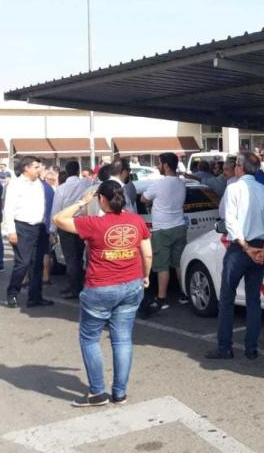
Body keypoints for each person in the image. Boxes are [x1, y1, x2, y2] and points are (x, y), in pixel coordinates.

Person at [53, 181, 152, 407]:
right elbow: (146, 254)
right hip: (132, 284)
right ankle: (120, 393)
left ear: (101, 200)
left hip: (100, 287)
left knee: (90, 339)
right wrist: (145, 276)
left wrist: (81, 202)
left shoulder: (93, 223)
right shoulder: (136, 221)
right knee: (123, 339)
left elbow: (58, 219)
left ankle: (97, 392)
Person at [206, 153, 264, 361]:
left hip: (241, 249)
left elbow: (230, 221)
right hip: (260, 249)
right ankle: (251, 348)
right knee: (253, 299)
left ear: (240, 167)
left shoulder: (234, 188)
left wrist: (246, 247)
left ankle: (225, 347)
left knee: (227, 298)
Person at [3, 156, 55, 308]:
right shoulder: (15, 184)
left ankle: (35, 297)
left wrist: (49, 229)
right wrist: (11, 231)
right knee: (23, 263)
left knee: (37, 263)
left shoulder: (40, 184)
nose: (39, 170)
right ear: (27, 168)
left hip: (39, 227)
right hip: (22, 227)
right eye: (36, 167)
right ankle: (12, 293)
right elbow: (8, 209)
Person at [141, 152, 188, 313]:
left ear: (166, 165)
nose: (158, 167)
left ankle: (161, 298)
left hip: (162, 229)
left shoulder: (159, 184)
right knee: (179, 263)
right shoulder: (181, 183)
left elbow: (144, 199)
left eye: (159, 163)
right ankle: (185, 294)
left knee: (162, 266)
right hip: (180, 227)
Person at [49, 160, 95, 298]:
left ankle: (75, 288)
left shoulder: (61, 189)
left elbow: (56, 209)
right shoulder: (86, 183)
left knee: (70, 259)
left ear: (66, 172)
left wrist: (53, 229)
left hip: (66, 223)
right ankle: (78, 285)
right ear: (78, 171)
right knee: (80, 257)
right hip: (82, 223)